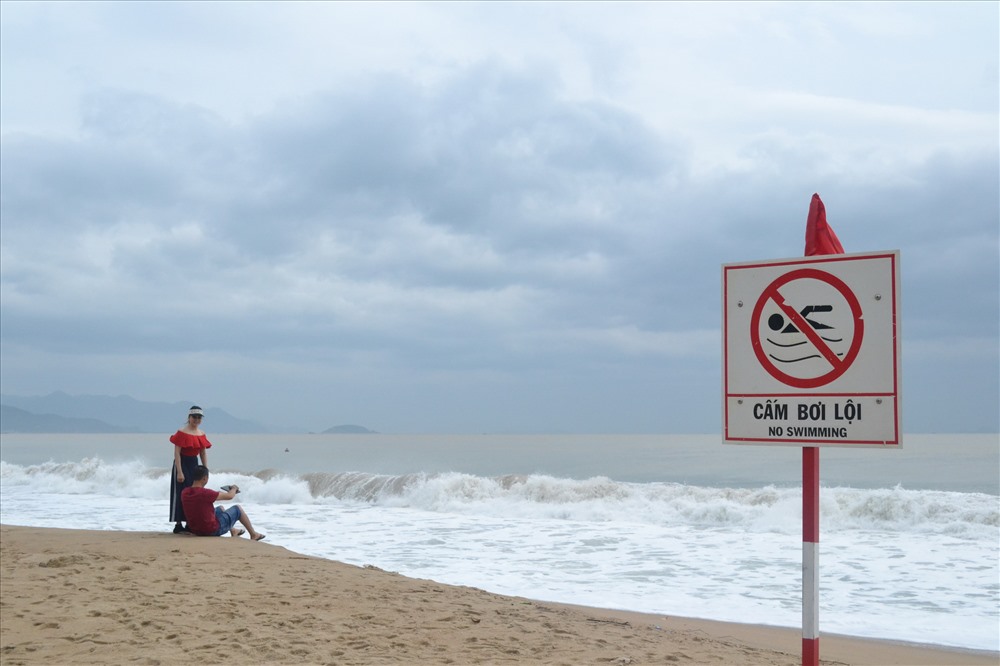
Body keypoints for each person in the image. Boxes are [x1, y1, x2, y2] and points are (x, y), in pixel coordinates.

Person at [180, 465, 265, 541]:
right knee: (237, 509)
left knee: (220, 509)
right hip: (210, 531)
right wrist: (234, 489)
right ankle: (253, 534)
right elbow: (230, 496)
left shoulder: (185, 492)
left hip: (195, 530)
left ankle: (233, 530)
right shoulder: (205, 493)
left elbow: (202, 497)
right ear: (205, 478)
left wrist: (217, 493)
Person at [169, 405, 211, 534]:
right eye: (194, 417)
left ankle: (190, 523)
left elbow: (203, 453)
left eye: (199, 417)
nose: (196, 420)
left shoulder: (201, 434)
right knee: (181, 492)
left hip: (194, 464)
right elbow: (176, 453)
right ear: (189, 417)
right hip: (181, 463)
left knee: (194, 493)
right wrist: (180, 471)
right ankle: (178, 524)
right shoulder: (182, 432)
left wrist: (205, 470)